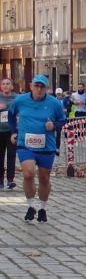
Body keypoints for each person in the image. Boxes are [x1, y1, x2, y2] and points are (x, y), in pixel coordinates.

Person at [9, 75, 65, 222]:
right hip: (25, 144)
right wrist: (14, 131)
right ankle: (30, 206)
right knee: (28, 174)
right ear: (31, 86)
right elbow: (11, 115)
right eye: (36, 86)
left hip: (46, 146)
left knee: (44, 178)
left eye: (42, 87)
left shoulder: (54, 103)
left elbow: (62, 120)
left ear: (47, 88)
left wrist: (54, 125)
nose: (39, 89)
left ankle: (42, 208)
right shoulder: (20, 100)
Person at [0, 78, 18, 189]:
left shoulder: (17, 98)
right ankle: (0, 181)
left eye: (8, 84)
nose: (5, 86)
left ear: (12, 86)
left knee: (11, 155)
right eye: (3, 84)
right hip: (0, 130)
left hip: (12, 131)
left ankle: (10, 180)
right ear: (1, 86)